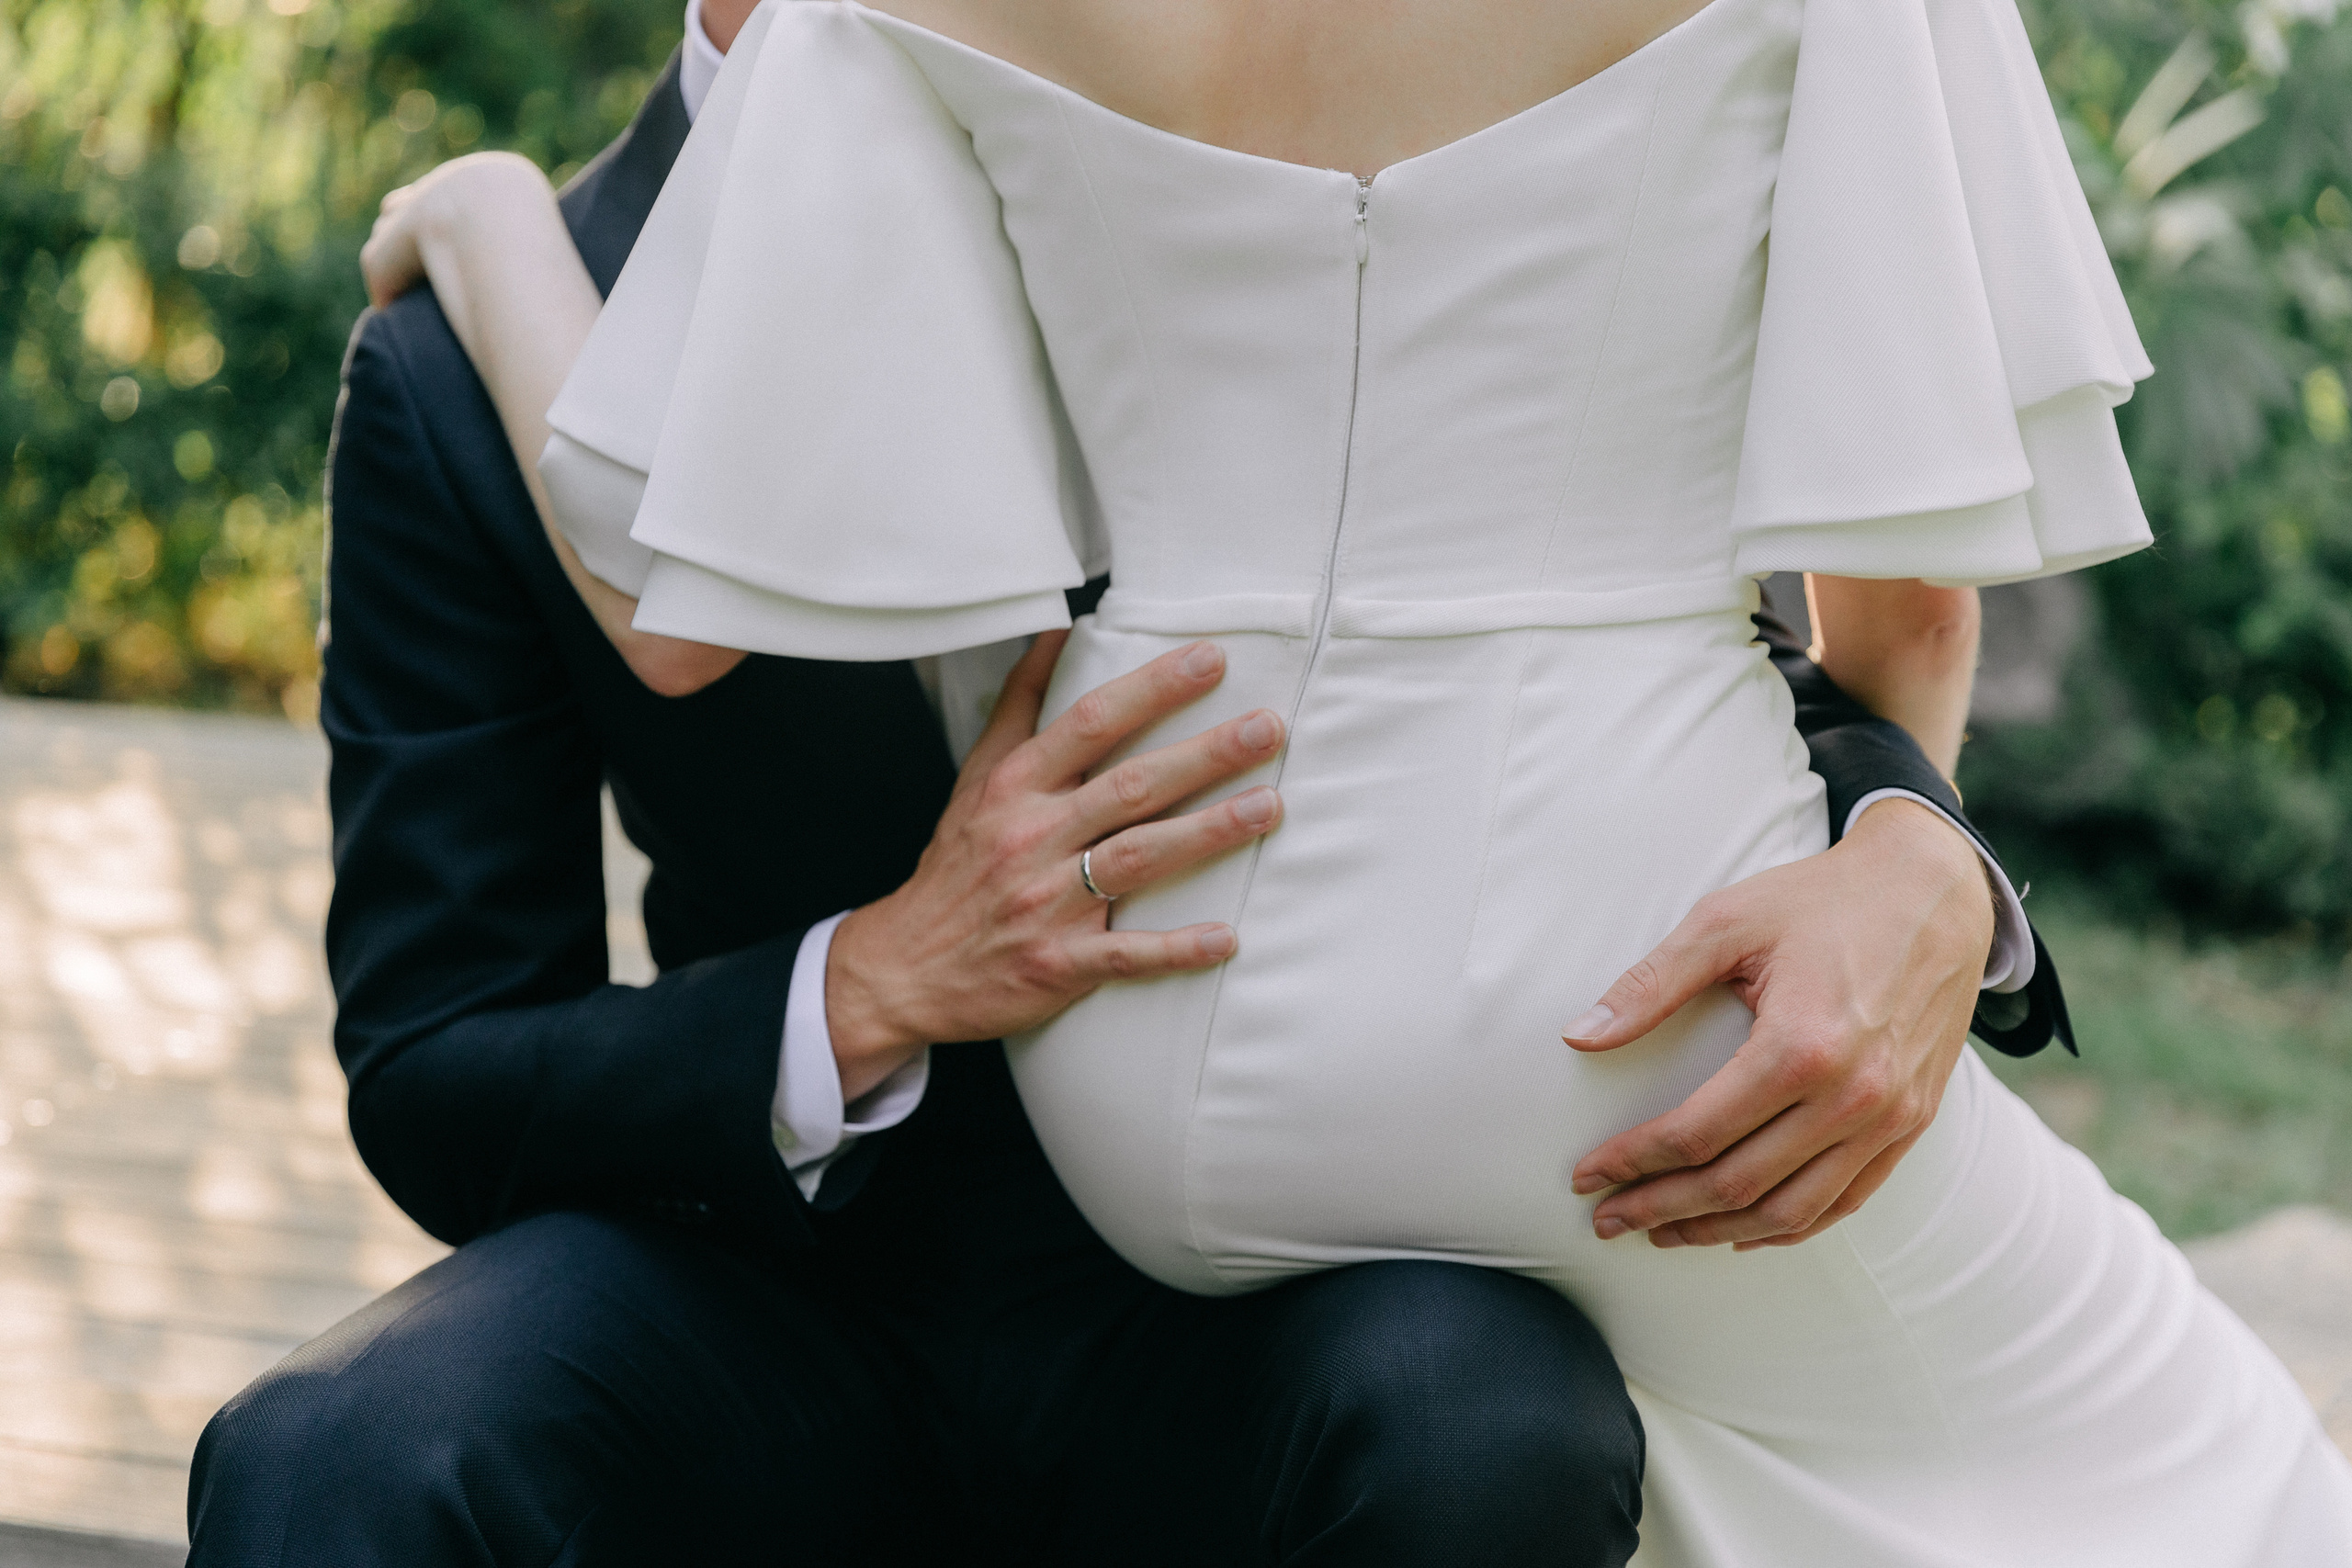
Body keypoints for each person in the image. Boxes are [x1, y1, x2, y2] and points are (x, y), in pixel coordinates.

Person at [185, 5, 2211, 1567]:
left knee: (1478, 1415)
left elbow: (1657, 643)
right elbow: (441, 1069)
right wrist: (870, 984)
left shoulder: (1274, 101)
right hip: (779, 1288)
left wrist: (1919, 850)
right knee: (334, 1449)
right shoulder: (463, 371)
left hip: (1298, 1295)